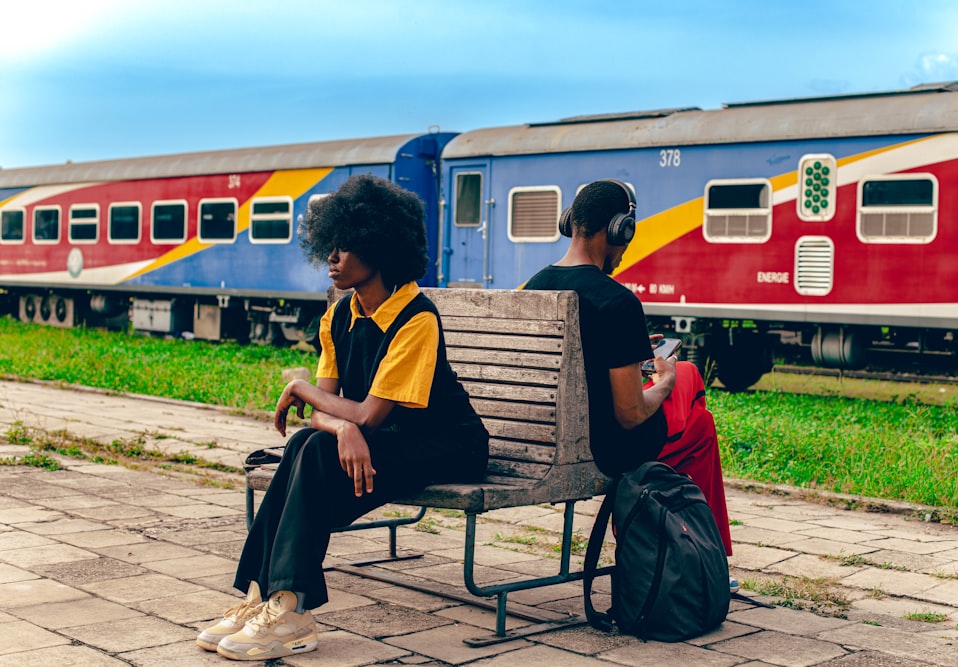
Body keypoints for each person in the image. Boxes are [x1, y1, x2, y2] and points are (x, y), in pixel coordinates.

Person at [197, 174, 489, 661]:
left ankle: (290, 607)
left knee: (309, 454)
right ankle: (261, 596)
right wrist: (343, 426)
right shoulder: (339, 315)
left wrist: (310, 395)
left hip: (448, 446)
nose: (331, 258)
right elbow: (327, 417)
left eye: (345, 247)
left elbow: (365, 414)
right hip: (386, 440)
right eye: (328, 246)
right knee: (301, 446)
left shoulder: (416, 317)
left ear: (381, 248)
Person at [522, 178, 736, 591]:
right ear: (620, 229)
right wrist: (664, 379)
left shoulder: (535, 288)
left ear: (572, 223)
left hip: (543, 434)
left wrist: (632, 353)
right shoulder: (617, 301)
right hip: (602, 446)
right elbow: (631, 413)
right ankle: (704, 560)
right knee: (698, 416)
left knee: (689, 396)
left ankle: (677, 544)